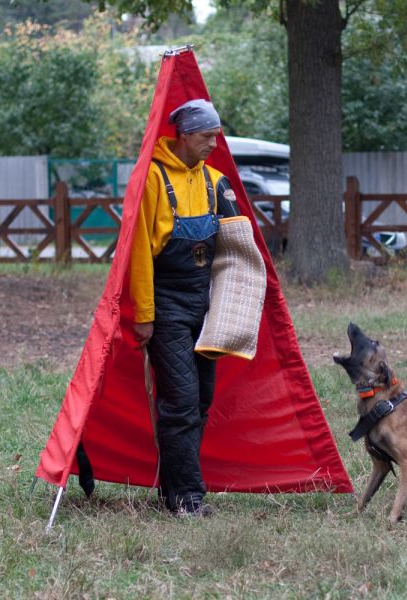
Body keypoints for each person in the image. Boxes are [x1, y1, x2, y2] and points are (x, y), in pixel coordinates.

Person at [128, 99, 239, 517]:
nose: (214, 143)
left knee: (202, 401)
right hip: (167, 304)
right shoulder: (153, 179)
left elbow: (237, 247)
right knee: (181, 404)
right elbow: (139, 252)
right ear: (185, 134)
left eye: (216, 135)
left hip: (206, 306)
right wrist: (144, 315)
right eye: (207, 136)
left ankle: (172, 493)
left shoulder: (217, 182)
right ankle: (189, 498)